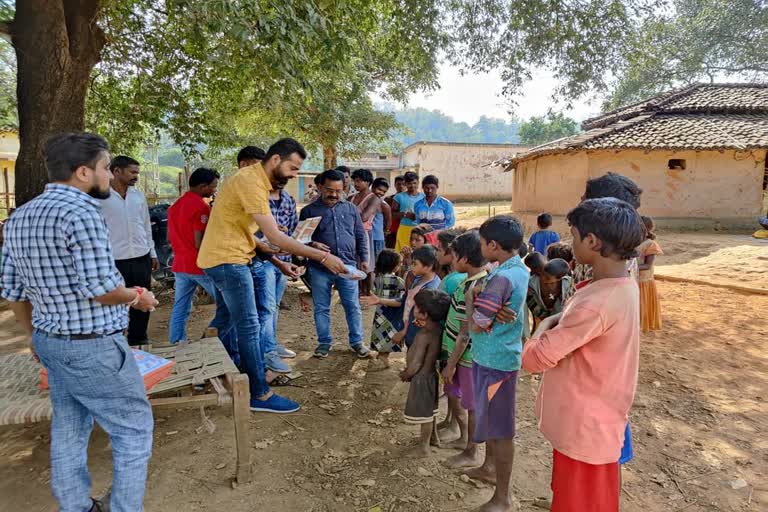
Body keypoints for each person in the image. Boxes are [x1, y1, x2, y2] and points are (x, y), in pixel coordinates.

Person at [1, 132, 159, 512]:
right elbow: (101, 288)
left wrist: (35, 337)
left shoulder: (20, 215)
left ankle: (75, 506)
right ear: (84, 172)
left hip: (51, 342)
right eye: (107, 168)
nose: (110, 175)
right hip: (94, 345)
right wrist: (138, 296)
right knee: (133, 430)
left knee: (70, 428)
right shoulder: (84, 212)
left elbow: (12, 290)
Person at [198, 138, 347, 414]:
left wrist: (275, 259)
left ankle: (206, 367)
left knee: (227, 320)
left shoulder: (256, 183)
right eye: (292, 168)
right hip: (228, 261)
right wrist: (323, 256)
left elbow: (250, 232)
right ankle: (259, 393)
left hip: (229, 257)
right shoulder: (252, 183)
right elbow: (275, 235)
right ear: (276, 160)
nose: (294, 175)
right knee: (250, 326)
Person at [521, 198, 645, 512]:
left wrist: (545, 325)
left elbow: (533, 360)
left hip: (586, 424)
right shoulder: (620, 284)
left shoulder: (597, 302)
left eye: (573, 235)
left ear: (592, 241)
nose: (569, 242)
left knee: (578, 502)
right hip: (596, 418)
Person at [464, 215, 529, 512]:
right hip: (497, 355)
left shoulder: (502, 277)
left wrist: (470, 300)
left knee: (501, 429)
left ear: (492, 245)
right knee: (491, 420)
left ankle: (504, 498)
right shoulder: (515, 270)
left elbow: (477, 324)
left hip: (495, 360)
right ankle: (489, 468)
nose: (480, 248)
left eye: (481, 243)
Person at [300, 169, 371, 359]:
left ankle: (357, 342)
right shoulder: (308, 211)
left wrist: (364, 259)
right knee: (322, 307)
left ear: (343, 189)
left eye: (338, 190)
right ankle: (324, 343)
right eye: (329, 190)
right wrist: (313, 244)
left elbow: (359, 235)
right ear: (320, 187)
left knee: (352, 306)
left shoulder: (350, 209)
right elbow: (300, 240)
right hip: (319, 268)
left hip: (347, 267)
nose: (333, 194)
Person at [252, 149, 304, 374]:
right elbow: (251, 234)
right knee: (265, 308)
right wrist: (272, 234)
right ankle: (266, 353)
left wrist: (298, 249)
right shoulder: (256, 197)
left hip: (283, 260)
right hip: (264, 261)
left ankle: (271, 344)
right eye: (290, 169)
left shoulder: (289, 201)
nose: (290, 177)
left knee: (273, 308)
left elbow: (292, 230)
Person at [441, 230, 488, 469]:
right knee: (461, 398)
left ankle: (471, 451)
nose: (452, 259)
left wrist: (451, 364)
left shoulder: (473, 288)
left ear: (465, 260)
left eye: (454, 255)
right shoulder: (471, 282)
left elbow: (465, 333)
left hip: (466, 358)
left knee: (471, 406)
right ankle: (463, 439)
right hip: (459, 355)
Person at [100, 155, 159, 346]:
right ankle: (115, 342)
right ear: (116, 171)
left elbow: (145, 225)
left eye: (137, 173)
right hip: (114, 260)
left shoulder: (137, 195)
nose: (136, 176)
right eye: (132, 172)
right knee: (115, 302)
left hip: (141, 256)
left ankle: (139, 339)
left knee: (142, 299)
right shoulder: (100, 197)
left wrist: (152, 252)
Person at [167, 167, 222, 344]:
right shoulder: (201, 207)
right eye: (213, 186)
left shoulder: (175, 205)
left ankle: (177, 341)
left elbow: (170, 237)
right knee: (226, 304)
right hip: (198, 265)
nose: (215, 190)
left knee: (181, 306)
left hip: (180, 264)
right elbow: (200, 243)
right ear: (203, 186)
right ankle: (213, 339)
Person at [400, 288, 451, 457]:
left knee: (424, 416)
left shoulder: (424, 335)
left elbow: (416, 363)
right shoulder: (437, 329)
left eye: (416, 307)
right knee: (431, 411)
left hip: (421, 378)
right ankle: (433, 438)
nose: (413, 309)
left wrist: (407, 374)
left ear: (425, 314)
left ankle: (423, 448)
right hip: (431, 376)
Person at [361, 249, 406, 369]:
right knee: (391, 335)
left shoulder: (377, 279)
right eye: (399, 263)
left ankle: (381, 354)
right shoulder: (399, 281)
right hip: (393, 314)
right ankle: (384, 356)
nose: (400, 265)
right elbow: (402, 300)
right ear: (394, 266)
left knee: (381, 335)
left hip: (380, 313)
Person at [392, 245, 442, 349]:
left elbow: (421, 316)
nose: (412, 266)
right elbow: (406, 301)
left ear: (428, 266)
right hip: (411, 330)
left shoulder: (430, 288)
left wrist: (403, 331)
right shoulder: (418, 279)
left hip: (418, 334)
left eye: (415, 264)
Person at [349, 168, 381, 295]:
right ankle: (356, 292)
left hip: (364, 234)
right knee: (354, 263)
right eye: (354, 181)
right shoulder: (352, 197)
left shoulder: (374, 198)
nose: (356, 184)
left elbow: (364, 217)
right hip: (351, 233)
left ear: (368, 182)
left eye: (359, 181)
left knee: (367, 264)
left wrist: (349, 216)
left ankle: (367, 292)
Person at [526, 258, 574, 330]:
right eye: (543, 274)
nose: (543, 279)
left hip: (558, 317)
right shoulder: (532, 282)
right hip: (539, 314)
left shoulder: (568, 284)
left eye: (548, 278)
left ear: (559, 279)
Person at [637, 216, 663, 332]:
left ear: (644, 229)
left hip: (643, 282)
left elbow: (647, 266)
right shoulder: (631, 243)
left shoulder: (650, 244)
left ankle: (640, 325)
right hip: (633, 279)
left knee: (641, 305)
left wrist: (630, 268)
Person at [392, 171, 425, 252]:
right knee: (403, 251)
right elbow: (392, 214)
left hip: (419, 229)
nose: (412, 185)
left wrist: (417, 216)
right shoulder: (398, 197)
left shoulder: (423, 197)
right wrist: (405, 214)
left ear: (418, 183)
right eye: (409, 183)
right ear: (405, 184)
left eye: (414, 183)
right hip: (404, 228)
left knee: (418, 252)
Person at [370, 177, 392, 262]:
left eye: (384, 192)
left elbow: (389, 221)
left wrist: (385, 231)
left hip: (377, 237)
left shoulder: (383, 204)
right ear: (373, 187)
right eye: (379, 189)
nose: (381, 193)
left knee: (377, 261)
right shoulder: (367, 200)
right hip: (366, 236)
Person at [385, 175, 406, 248]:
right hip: (392, 230)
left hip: (405, 229)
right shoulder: (389, 199)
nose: (401, 186)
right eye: (399, 184)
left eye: (403, 184)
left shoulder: (410, 200)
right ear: (395, 185)